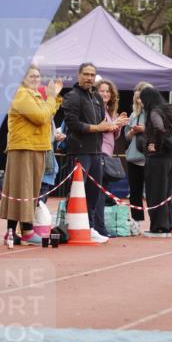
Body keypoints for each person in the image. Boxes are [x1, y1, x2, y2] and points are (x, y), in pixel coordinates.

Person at [0, 66, 62, 245]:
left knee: (25, 190)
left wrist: (53, 97)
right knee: (23, 189)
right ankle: (26, 231)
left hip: (36, 146)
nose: (35, 79)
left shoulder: (33, 94)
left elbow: (48, 113)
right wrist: (51, 97)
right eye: (31, 76)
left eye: (37, 76)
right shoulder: (20, 94)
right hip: (24, 147)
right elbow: (41, 117)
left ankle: (11, 232)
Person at [62, 62, 118, 243]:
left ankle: (91, 227)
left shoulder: (97, 98)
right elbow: (73, 124)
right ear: (78, 75)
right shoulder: (72, 97)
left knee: (94, 192)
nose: (89, 78)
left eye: (92, 75)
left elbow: (102, 123)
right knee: (77, 190)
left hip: (96, 152)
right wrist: (97, 128)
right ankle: (71, 225)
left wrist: (113, 125)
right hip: (79, 151)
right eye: (86, 74)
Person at [140, 87, 172, 237]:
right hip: (169, 158)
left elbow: (158, 128)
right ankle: (168, 223)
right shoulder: (167, 111)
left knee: (156, 192)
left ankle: (158, 226)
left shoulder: (154, 112)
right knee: (166, 192)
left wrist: (158, 144)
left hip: (157, 158)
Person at [97, 78, 129, 235]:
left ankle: (100, 227)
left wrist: (118, 124)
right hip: (100, 153)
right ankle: (99, 228)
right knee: (100, 193)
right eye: (102, 90)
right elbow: (101, 129)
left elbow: (114, 135)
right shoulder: (97, 109)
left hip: (107, 153)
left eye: (107, 91)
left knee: (103, 192)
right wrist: (115, 123)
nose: (105, 93)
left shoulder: (109, 111)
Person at [124, 81, 153, 235]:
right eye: (136, 99)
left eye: (141, 98)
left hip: (149, 158)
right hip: (134, 158)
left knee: (152, 192)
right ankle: (137, 223)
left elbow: (161, 131)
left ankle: (155, 222)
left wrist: (145, 129)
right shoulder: (133, 115)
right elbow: (127, 137)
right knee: (134, 192)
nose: (139, 101)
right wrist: (133, 132)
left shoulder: (153, 112)